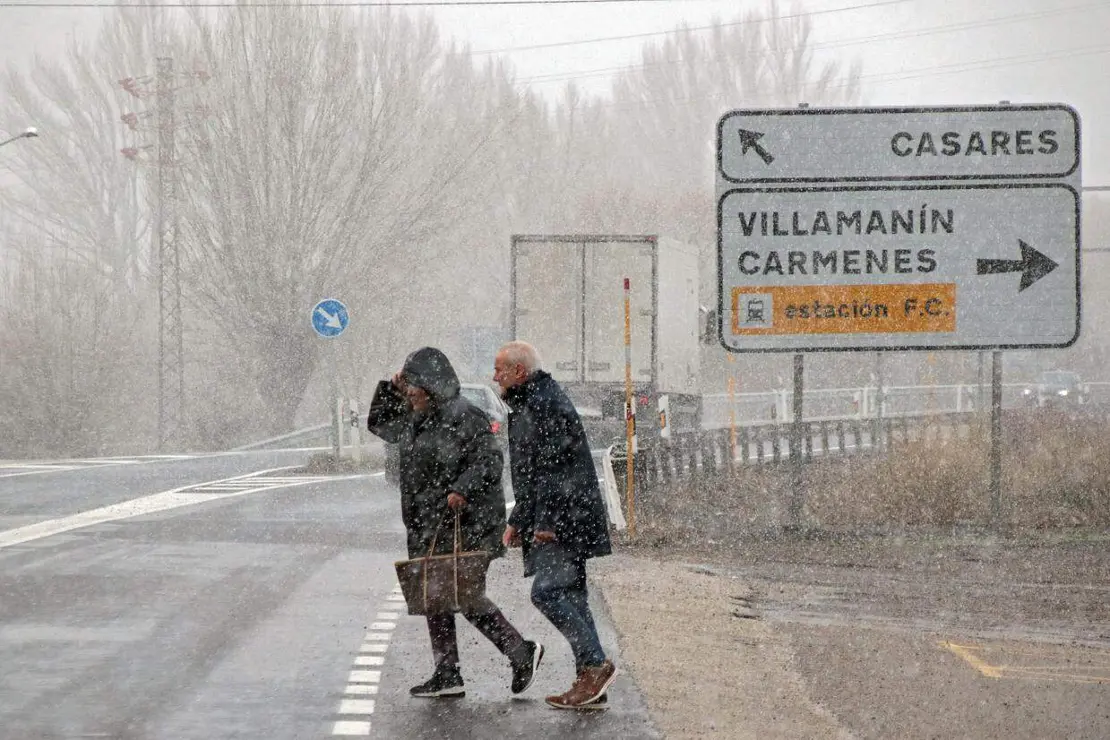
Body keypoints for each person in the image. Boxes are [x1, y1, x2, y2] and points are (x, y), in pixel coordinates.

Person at [367, 346, 544, 699]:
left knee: (464, 596)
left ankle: (521, 651)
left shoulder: (465, 416)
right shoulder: (416, 414)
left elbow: (489, 460)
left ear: (431, 385)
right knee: (437, 595)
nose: (411, 394)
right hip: (428, 523)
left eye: (415, 387)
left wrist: (462, 489)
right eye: (409, 388)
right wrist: (392, 387)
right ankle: (448, 673)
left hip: (465, 522)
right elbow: (378, 423)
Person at [494, 340, 617, 711]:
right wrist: (519, 519)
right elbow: (534, 473)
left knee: (547, 593)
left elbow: (553, 469)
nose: (494, 376)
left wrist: (546, 521)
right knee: (573, 596)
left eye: (500, 369)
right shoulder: (533, 400)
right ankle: (590, 685)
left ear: (519, 371)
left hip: (564, 518)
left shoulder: (543, 403)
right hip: (566, 514)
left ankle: (595, 665)